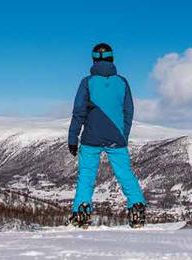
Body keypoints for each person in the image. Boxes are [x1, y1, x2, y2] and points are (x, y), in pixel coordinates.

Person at [67, 43, 147, 228]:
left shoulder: (87, 82)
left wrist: (73, 138)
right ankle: (137, 210)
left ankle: (81, 213)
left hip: (91, 138)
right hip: (116, 138)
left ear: (94, 59)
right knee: (125, 174)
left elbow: (79, 112)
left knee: (86, 175)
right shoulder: (123, 82)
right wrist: (123, 134)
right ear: (112, 58)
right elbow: (129, 111)